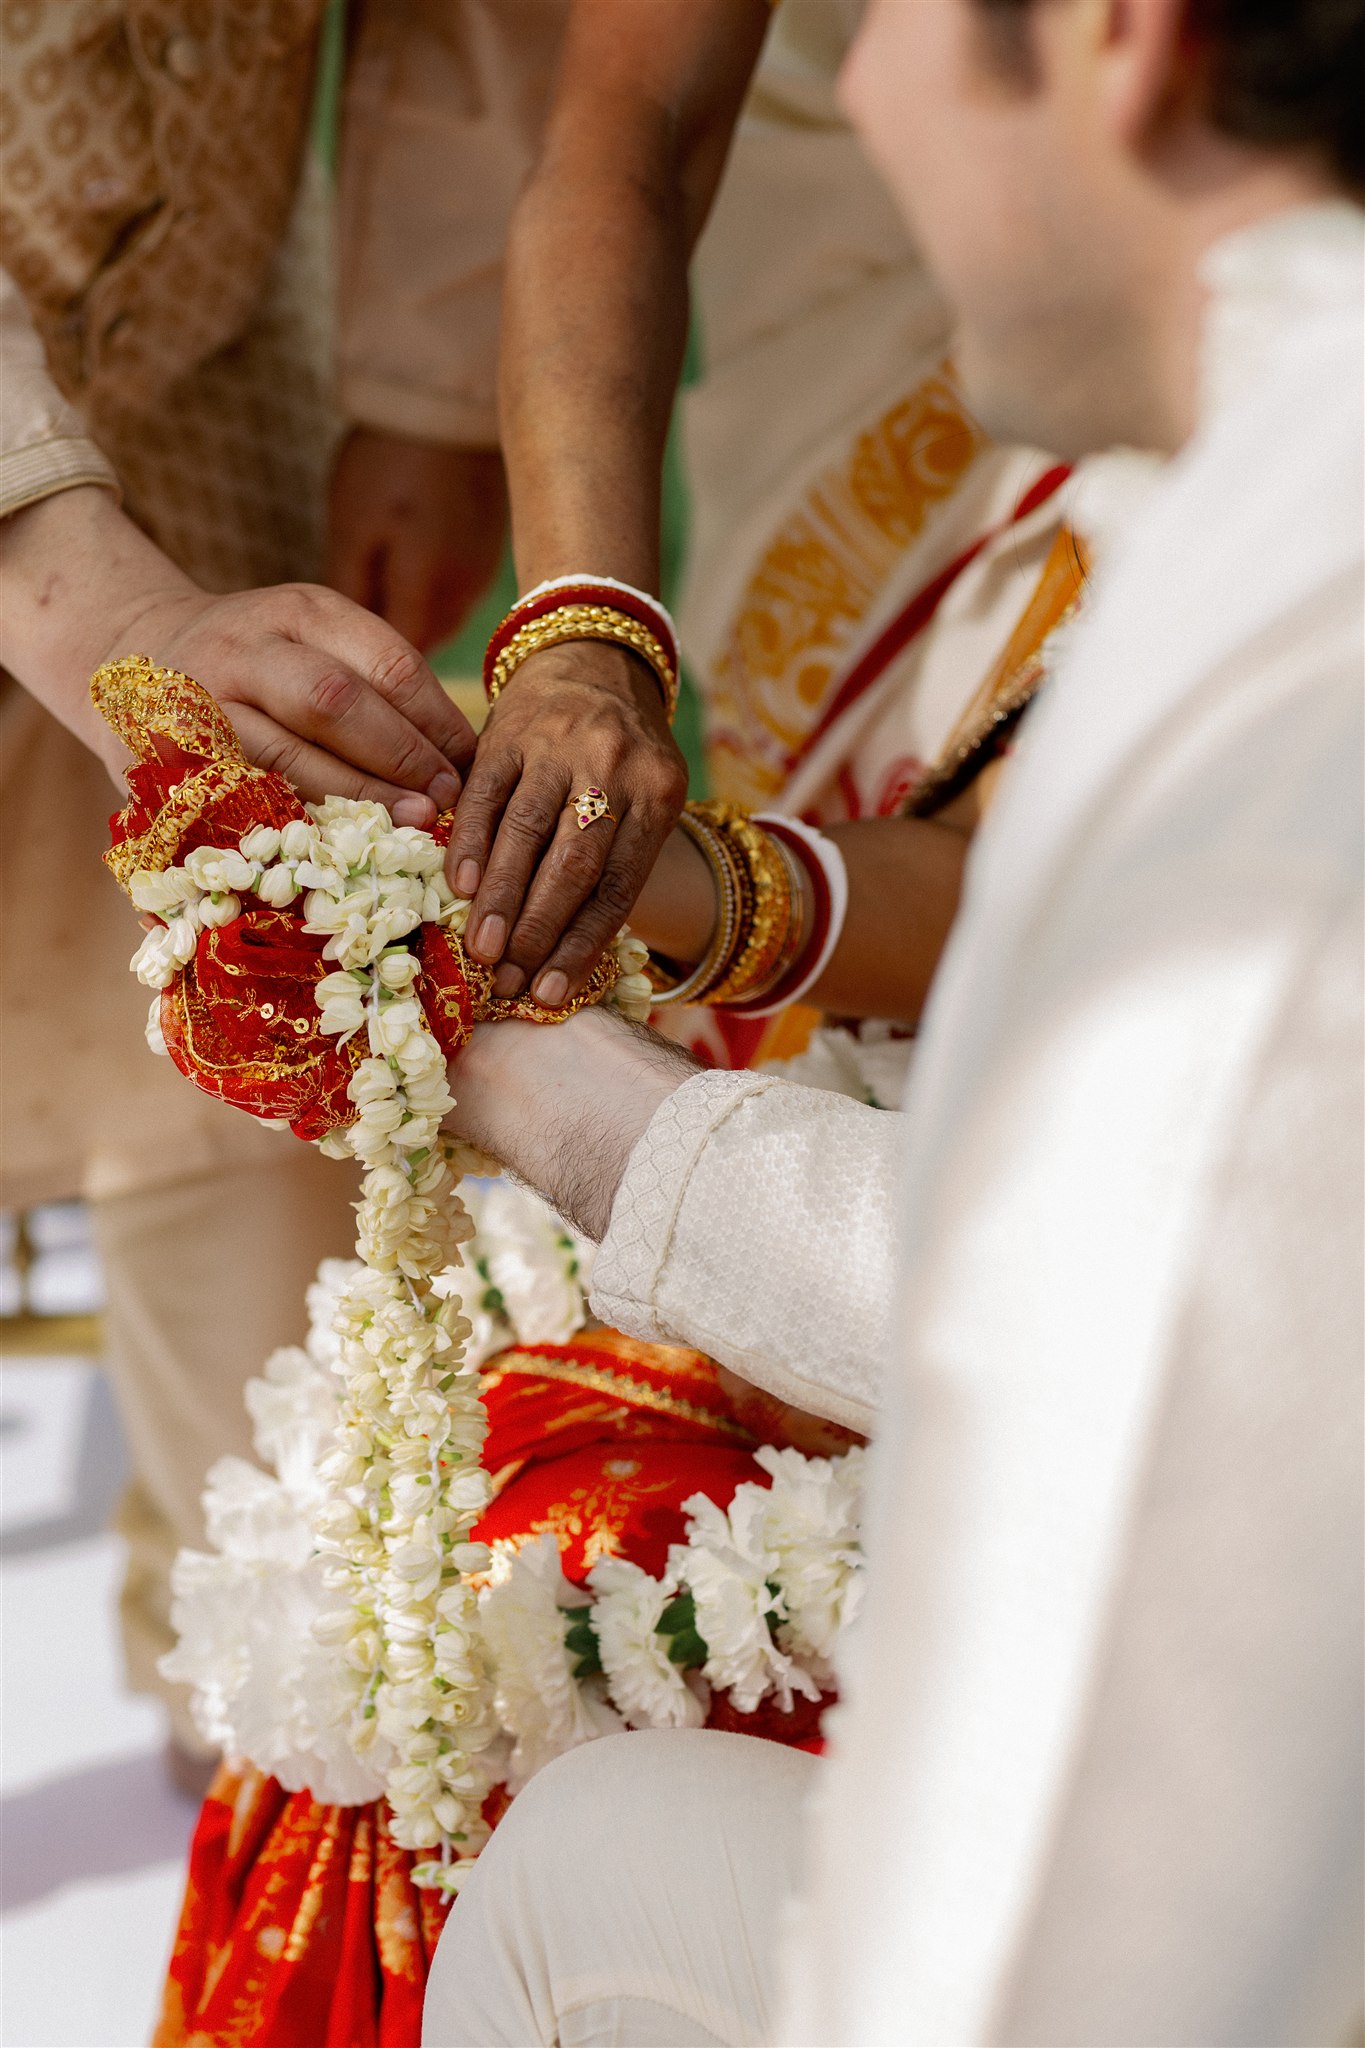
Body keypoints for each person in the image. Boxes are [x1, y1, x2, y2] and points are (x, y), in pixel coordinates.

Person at [422, 1, 1365, 2041]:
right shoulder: (1250, 490)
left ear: (1122, 39)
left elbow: (1105, 1331)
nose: (841, 80)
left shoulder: (1293, 607)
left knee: (568, 1842)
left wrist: (579, 1116)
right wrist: (625, 788)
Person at [0, 0, 577, 1776]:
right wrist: (101, 605)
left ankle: (257, 1735)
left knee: (264, 1072)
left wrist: (426, 390)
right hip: (82, 514)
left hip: (214, 392)